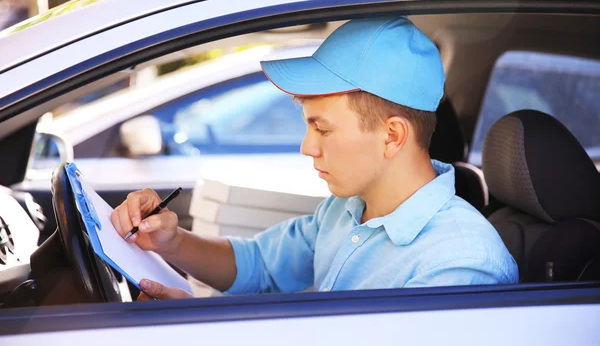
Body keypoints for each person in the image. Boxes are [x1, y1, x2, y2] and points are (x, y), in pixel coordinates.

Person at [111, 16, 518, 300]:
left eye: (322, 129)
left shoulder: (461, 265)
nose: (307, 147)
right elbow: (259, 266)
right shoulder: (345, 210)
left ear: (392, 135)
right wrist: (171, 241)